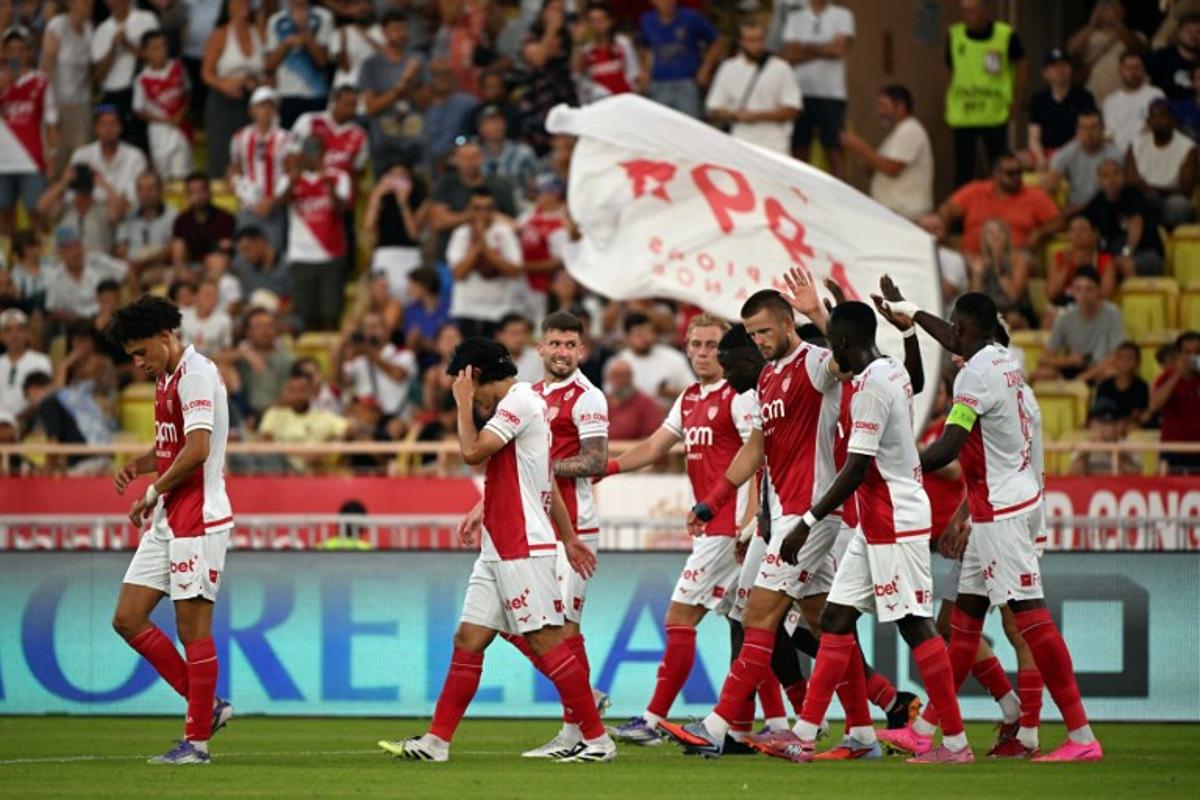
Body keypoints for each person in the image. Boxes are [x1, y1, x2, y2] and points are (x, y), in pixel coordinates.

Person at [376, 336, 617, 763]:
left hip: (522, 546)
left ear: (477, 376)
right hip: (499, 545)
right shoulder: (529, 403)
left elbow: (471, 453)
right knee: (468, 639)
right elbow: (543, 483)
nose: (475, 397)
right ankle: (437, 742)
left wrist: (462, 403)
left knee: (545, 641)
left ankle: (597, 740)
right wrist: (568, 536)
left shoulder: (519, 403)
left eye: (470, 384)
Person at [891, 290, 1103, 763]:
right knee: (963, 622)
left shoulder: (975, 376)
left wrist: (894, 465)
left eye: (953, 330)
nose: (949, 338)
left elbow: (948, 448)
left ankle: (1081, 735)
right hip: (995, 510)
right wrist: (910, 311)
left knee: (1029, 620)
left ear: (964, 332)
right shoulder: (1004, 360)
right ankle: (936, 735)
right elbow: (955, 335)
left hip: (1005, 513)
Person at [656, 275, 846, 757]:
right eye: (752, 334)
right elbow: (755, 447)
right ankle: (862, 728)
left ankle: (721, 724)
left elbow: (852, 362)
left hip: (813, 512)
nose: (758, 342)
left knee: (755, 612)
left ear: (787, 323)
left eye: (764, 331)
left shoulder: (817, 363)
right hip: (784, 512)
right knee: (824, 624)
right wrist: (712, 501)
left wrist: (821, 317)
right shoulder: (766, 377)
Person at [606, 318, 765, 745]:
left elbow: (759, 460)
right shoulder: (690, 397)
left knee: (681, 617)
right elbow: (657, 445)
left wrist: (748, 524)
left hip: (727, 530)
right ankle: (780, 723)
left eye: (711, 345)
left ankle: (653, 722)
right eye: (694, 344)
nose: (701, 352)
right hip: (717, 527)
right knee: (759, 626)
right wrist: (609, 467)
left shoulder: (740, 396)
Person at [459, 311, 612, 758]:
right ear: (540, 348)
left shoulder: (589, 397)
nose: (562, 352)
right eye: (555, 343)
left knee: (558, 629)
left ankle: (584, 728)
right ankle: (581, 717)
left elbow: (596, 461)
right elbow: (515, 469)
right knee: (520, 625)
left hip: (572, 525)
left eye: (571, 344)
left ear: (581, 351)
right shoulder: (532, 395)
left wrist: (542, 467)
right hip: (533, 522)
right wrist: (483, 504)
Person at [104, 294, 235, 764]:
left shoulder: (196, 375)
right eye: (131, 356)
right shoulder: (167, 376)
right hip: (168, 517)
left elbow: (198, 448)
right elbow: (174, 446)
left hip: (197, 517)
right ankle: (209, 707)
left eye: (142, 352)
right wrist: (143, 465)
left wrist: (154, 489)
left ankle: (196, 744)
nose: (138, 363)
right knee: (127, 618)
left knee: (192, 628)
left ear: (166, 337)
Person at [944, 0, 1028, 187]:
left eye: (972, 11)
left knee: (998, 163)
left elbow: (1021, 64)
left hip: (994, 112)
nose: (967, 15)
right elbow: (950, 69)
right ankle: (963, 212)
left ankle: (1000, 205)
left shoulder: (1005, 35)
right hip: (964, 112)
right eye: (964, 11)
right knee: (963, 168)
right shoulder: (954, 35)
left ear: (984, 10)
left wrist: (1017, 96)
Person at [277, 137, 351, 331]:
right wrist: (293, 180)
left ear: (324, 154)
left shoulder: (338, 177)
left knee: (331, 313)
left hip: (331, 253)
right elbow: (281, 203)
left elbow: (343, 208)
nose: (313, 157)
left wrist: (328, 185)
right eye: (309, 152)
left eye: (317, 151)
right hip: (301, 255)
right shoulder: (290, 179)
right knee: (305, 314)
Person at [926, 152, 1062, 256]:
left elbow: (1058, 221)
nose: (1016, 177)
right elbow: (946, 210)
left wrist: (1039, 233)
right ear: (996, 175)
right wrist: (941, 229)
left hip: (1015, 257)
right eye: (1010, 173)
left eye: (1019, 172)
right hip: (973, 256)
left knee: (1020, 263)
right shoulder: (975, 190)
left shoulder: (1034, 195)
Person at [778, 0, 855, 174]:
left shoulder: (843, 15)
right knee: (799, 148)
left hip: (832, 94)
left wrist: (805, 47)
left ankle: (839, 195)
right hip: (800, 92)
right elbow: (789, 54)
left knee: (834, 148)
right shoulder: (795, 17)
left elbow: (839, 50)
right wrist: (825, 48)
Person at [705, 21, 801, 156]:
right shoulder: (728, 68)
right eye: (750, 40)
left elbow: (792, 109)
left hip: (774, 144)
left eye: (759, 40)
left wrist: (757, 116)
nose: (756, 45)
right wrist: (735, 115)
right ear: (741, 42)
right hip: (740, 141)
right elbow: (714, 108)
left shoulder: (781, 68)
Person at [840, 84, 933, 221]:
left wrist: (859, 146)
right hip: (893, 214)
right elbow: (876, 167)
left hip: (907, 215)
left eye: (883, 105)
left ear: (900, 107)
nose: (879, 111)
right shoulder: (897, 132)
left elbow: (891, 168)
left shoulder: (911, 129)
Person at [0, 28, 59, 234]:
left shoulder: (41, 82)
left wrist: (52, 156)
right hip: (2, 161)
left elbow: (51, 123)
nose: (15, 54)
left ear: (28, 53)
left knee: (37, 211)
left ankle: (40, 256)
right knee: (4, 213)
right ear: (4, 53)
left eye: (20, 49)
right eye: (10, 49)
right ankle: (7, 258)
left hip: (31, 160)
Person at [446, 187, 523, 339]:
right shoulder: (460, 234)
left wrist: (485, 248)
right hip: (466, 308)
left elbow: (515, 272)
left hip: (497, 309)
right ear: (469, 209)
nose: (483, 213)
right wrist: (479, 244)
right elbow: (458, 274)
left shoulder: (505, 233)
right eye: (477, 208)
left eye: (488, 208)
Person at [200, 0, 266, 179]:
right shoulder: (219, 35)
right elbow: (206, 73)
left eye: (246, 1)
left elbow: (268, 68)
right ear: (228, 6)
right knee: (223, 152)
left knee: (254, 150)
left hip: (254, 101)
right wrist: (224, 85)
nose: (242, 5)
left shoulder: (260, 32)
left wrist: (258, 83)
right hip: (224, 102)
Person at [430, 139, 518, 263]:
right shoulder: (445, 184)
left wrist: (472, 217)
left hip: (495, 261)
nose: (469, 162)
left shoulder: (499, 186)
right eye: (464, 158)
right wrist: (474, 215)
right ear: (456, 159)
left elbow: (513, 225)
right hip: (450, 258)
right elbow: (438, 222)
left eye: (473, 157)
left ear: (482, 158)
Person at [358, 8, 423, 173]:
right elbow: (371, 108)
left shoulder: (418, 60)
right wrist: (403, 83)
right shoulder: (371, 65)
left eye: (404, 28)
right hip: (384, 143)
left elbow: (427, 103)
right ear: (384, 32)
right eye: (396, 29)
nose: (402, 33)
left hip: (415, 141)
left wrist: (410, 85)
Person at [91, 0, 159, 152]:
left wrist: (129, 45)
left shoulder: (147, 19)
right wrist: (113, 48)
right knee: (116, 144)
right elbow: (98, 75)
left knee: (144, 144)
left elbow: (156, 56)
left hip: (143, 90)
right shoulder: (102, 30)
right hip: (114, 94)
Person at [638, 0, 723, 120]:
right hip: (658, 82)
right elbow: (644, 46)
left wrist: (705, 69)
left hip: (687, 81)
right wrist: (645, 71)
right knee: (661, 125)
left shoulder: (691, 18)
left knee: (690, 125)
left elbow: (716, 41)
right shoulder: (647, 20)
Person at [1038, 267, 1125, 383]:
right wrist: (1069, 361)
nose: (1083, 295)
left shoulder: (1112, 313)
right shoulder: (1065, 317)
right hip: (1073, 367)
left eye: (1089, 289)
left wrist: (1085, 376)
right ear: (1073, 291)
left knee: (1113, 373)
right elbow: (1045, 358)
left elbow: (1116, 355)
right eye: (1078, 289)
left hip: (1100, 369)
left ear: (1098, 291)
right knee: (1040, 374)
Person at [229, 86, 290, 252]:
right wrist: (246, 196)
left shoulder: (285, 138)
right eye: (261, 106)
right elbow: (234, 170)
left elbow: (289, 173)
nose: (266, 111)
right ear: (252, 110)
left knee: (273, 253)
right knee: (245, 253)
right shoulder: (240, 137)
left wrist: (273, 200)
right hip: (248, 206)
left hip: (274, 208)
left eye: (270, 106)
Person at [1085, 158, 1166, 277]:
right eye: (1105, 176)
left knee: (1123, 265)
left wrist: (1126, 254)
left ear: (1123, 177)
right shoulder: (1096, 203)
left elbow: (1135, 228)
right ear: (1099, 182)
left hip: (1147, 253)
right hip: (1115, 256)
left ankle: (1135, 294)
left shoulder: (1133, 195)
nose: (1112, 179)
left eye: (1116, 173)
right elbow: (1093, 236)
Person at [258, 369, 350, 473]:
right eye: (292, 390)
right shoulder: (273, 414)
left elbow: (350, 430)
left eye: (302, 390)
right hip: (279, 469)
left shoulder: (324, 417)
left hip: (308, 473)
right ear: (285, 391)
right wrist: (299, 453)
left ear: (311, 392)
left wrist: (327, 451)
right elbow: (264, 445)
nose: (297, 396)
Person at [1127, 98, 1198, 230]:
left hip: (1172, 199)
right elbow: (1131, 182)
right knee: (1134, 200)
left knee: (1178, 206)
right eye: (1153, 117)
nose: (1158, 121)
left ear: (1173, 120)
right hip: (1144, 198)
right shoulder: (1136, 145)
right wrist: (1152, 192)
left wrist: (1155, 191)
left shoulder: (1188, 148)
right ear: (1148, 121)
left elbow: (1185, 190)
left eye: (1163, 116)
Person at [41, 0, 94, 170]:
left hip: (81, 103)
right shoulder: (57, 25)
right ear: (72, 3)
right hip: (57, 100)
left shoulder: (89, 29)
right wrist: (50, 108)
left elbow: (89, 69)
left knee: (81, 160)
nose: (89, 4)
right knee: (57, 159)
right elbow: (46, 67)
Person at [335, 311, 416, 420]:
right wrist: (341, 349)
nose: (370, 332)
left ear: (386, 330)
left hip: (397, 419)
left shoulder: (402, 354)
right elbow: (341, 382)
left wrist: (368, 352)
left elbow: (398, 375)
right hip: (365, 421)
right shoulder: (358, 359)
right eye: (366, 328)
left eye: (374, 327)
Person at [265, 0, 334, 128]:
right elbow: (269, 65)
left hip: (316, 95)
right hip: (286, 95)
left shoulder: (323, 17)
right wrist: (286, 44)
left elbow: (323, 61)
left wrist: (307, 38)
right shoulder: (276, 20)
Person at [69, 106, 148, 217]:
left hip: (123, 214)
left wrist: (102, 183)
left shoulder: (135, 156)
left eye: (113, 124)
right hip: (87, 211)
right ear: (95, 129)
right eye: (103, 124)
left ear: (120, 127)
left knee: (114, 211)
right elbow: (72, 195)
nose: (108, 129)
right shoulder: (81, 155)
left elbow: (131, 203)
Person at [1027, 49, 1096, 171]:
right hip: (1046, 155)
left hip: (1077, 153)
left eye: (1064, 65)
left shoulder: (1085, 97)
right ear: (1045, 73)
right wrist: (1041, 158)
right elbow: (1034, 137)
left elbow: (1087, 132)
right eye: (1054, 66)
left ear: (1071, 70)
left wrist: (1060, 158)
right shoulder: (1038, 99)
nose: (1060, 70)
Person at [1067, 0, 1147, 102]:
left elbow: (1137, 48)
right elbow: (1071, 50)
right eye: (1103, 7)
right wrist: (1092, 24)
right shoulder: (1088, 37)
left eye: (1112, 7)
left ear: (1123, 12)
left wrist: (1116, 22)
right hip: (1094, 95)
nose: (1107, 11)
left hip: (1126, 96)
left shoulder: (1136, 35)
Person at [44, 226, 128, 323]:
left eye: (78, 245)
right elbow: (52, 310)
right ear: (60, 253)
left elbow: (127, 271)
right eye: (69, 248)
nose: (75, 252)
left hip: (107, 318)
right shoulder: (54, 277)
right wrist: (78, 320)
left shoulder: (98, 261)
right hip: (75, 325)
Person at [515, 172, 568, 323]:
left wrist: (523, 267)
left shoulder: (562, 222)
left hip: (544, 285)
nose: (537, 196)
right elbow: (515, 227)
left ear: (554, 194)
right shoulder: (532, 213)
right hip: (522, 281)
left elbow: (558, 262)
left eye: (541, 192)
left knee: (540, 325)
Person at [1046, 109, 1123, 214]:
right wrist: (1057, 211)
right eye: (1084, 128)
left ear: (1103, 128)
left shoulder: (1115, 155)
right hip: (1075, 211)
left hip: (1106, 210)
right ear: (1077, 130)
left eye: (1094, 127)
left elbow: (1118, 191)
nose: (1089, 133)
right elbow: (1050, 186)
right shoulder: (1066, 153)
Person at [1148, 330, 1200, 474]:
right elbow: (1153, 406)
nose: (1192, 357)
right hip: (1173, 450)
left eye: (1197, 352)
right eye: (1187, 352)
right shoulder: (1166, 378)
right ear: (1178, 355)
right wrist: (1178, 374)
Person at [615, 312, 693, 408]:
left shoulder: (674, 358)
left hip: (667, 416)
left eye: (648, 332)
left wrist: (673, 392)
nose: (645, 338)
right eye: (639, 334)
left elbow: (694, 393)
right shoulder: (618, 363)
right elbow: (612, 398)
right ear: (627, 337)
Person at [967, 218, 1035, 327]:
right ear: (985, 239)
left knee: (1011, 319)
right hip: (989, 311)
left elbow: (1014, 296)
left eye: (1000, 232)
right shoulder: (979, 262)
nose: (996, 237)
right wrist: (977, 275)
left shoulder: (1018, 259)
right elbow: (976, 299)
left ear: (1007, 237)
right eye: (991, 233)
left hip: (1015, 310)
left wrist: (998, 268)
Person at [116, 171, 177, 289]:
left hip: (158, 266)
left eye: (150, 189)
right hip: (131, 267)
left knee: (170, 275)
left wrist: (142, 263)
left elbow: (170, 250)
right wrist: (130, 263)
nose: (145, 194)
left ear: (160, 190)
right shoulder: (128, 216)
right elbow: (120, 249)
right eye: (141, 190)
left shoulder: (172, 216)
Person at [572, 1, 639, 105]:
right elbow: (576, 73)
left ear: (610, 21)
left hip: (625, 103)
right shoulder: (586, 50)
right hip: (600, 107)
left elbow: (635, 74)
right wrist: (577, 43)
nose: (597, 25)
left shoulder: (623, 43)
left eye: (601, 19)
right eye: (593, 20)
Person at [235, 306, 294, 422]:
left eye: (269, 326)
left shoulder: (288, 360)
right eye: (258, 327)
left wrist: (266, 415)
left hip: (277, 416)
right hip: (244, 416)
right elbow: (213, 360)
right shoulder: (241, 357)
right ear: (248, 332)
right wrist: (244, 354)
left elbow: (291, 394)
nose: (265, 331)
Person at [419, 58, 479, 171]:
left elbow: (474, 138)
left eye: (447, 73)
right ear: (429, 78)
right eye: (437, 74)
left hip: (458, 166)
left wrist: (453, 153)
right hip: (425, 168)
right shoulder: (421, 106)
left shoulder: (468, 104)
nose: (443, 78)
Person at [1103, 51, 1166, 155]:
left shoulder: (1156, 95)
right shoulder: (1110, 102)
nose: (1133, 72)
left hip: (1150, 153)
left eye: (1137, 67)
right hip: (1120, 156)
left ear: (1143, 70)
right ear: (1120, 70)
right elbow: (1109, 135)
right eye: (1128, 68)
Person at [170, 174, 237, 272]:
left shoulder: (225, 218)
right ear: (187, 195)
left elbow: (226, 249)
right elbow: (178, 252)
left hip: (217, 266)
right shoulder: (181, 220)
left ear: (209, 192)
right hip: (190, 268)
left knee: (218, 262)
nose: (197, 197)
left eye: (201, 191)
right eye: (192, 192)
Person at [478, 105, 538, 201]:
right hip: (485, 208)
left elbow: (533, 186)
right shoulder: (475, 156)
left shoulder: (523, 152)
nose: (496, 125)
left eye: (499, 121)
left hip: (520, 206)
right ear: (480, 128)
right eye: (490, 122)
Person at [0, 307, 52, 418]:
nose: (14, 335)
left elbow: (42, 399)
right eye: (8, 330)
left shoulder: (41, 361)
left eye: (20, 329)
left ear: (27, 333)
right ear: (1, 336)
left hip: (31, 421)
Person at [604, 357, 665, 440]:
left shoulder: (647, 404)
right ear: (608, 378)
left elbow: (653, 439)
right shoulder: (601, 403)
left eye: (626, 375)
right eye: (617, 376)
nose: (622, 380)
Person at [1093, 341, 1150, 429]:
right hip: (1106, 425)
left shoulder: (1141, 386)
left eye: (1130, 358)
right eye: (1121, 358)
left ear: (1138, 363)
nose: (1125, 362)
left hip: (1130, 427)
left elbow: (1136, 415)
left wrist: (1119, 425)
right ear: (1115, 361)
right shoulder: (1105, 385)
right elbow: (1099, 411)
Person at [402, 266, 450, 368]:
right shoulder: (411, 310)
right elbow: (410, 343)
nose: (408, 290)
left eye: (413, 285)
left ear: (424, 286)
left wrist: (425, 343)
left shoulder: (449, 309)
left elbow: (453, 342)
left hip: (447, 361)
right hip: (419, 363)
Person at [1149, 12, 1200, 101]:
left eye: (1199, 32)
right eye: (1189, 31)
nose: (1194, 36)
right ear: (1178, 33)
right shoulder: (1160, 58)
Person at [231, 226, 290, 302]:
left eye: (247, 249)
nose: (245, 257)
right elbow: (245, 299)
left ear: (260, 242)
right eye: (242, 252)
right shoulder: (244, 269)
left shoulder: (289, 266)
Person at [180, 279, 234, 356]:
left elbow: (226, 349)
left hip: (212, 362)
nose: (212, 299)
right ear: (196, 297)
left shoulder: (224, 319)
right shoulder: (182, 315)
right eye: (208, 295)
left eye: (215, 295)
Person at [494, 313, 540, 383]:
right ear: (500, 335)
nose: (520, 338)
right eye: (514, 333)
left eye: (523, 333)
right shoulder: (491, 359)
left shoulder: (538, 357)